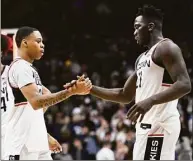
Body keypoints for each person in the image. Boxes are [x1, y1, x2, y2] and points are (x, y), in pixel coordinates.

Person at [69, 4, 191, 160]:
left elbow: (184, 84)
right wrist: (89, 88)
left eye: (137, 27)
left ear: (151, 26)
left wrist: (150, 101)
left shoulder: (166, 48)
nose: (134, 32)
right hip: (145, 128)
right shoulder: (142, 58)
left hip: (160, 125)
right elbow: (124, 94)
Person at [3, 26, 92, 160]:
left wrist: (44, 134)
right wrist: (71, 92)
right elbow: (37, 102)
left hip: (36, 141)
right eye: (38, 41)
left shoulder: (28, 69)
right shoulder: (20, 67)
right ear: (24, 43)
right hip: (21, 145)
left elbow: (44, 98)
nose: (42, 45)